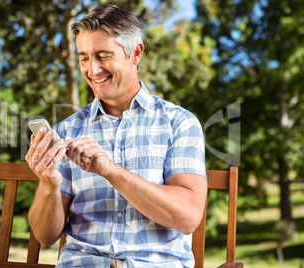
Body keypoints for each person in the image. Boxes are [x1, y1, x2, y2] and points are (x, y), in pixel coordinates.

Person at [26, 4, 207, 268]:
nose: (93, 70)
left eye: (103, 55)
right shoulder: (67, 131)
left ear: (136, 53)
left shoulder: (179, 123)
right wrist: (49, 185)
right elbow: (44, 236)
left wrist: (110, 171)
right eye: (84, 58)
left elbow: (189, 216)